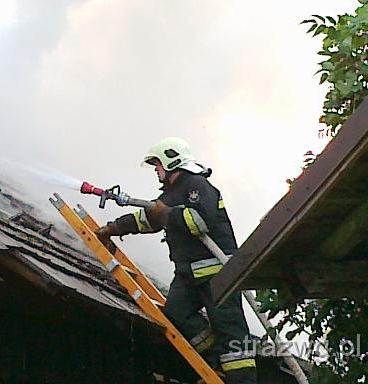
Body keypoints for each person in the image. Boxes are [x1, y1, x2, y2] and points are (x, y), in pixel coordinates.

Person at [95, 137, 257, 384]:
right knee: (176, 313)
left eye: (157, 164)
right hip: (188, 274)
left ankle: (242, 381)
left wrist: (167, 214)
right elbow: (147, 220)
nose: (156, 170)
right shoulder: (171, 194)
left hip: (218, 274)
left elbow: (199, 222)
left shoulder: (197, 185)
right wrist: (113, 228)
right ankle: (215, 364)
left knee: (230, 332)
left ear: (171, 161)